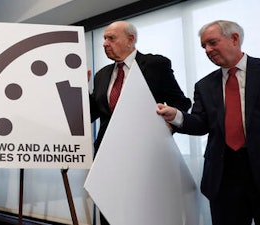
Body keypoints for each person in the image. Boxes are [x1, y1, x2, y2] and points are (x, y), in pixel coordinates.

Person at [157, 20, 260, 225]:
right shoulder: (204, 85)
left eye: (212, 42)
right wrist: (176, 115)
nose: (208, 50)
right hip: (223, 177)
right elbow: (201, 124)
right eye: (204, 46)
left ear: (235, 39)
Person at [89, 20, 191, 225]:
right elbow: (90, 115)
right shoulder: (102, 75)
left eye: (111, 38)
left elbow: (181, 102)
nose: (105, 43)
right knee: (110, 214)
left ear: (131, 39)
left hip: (146, 159)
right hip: (107, 159)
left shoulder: (155, 65)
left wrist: (167, 127)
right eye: (104, 38)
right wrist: (78, 90)